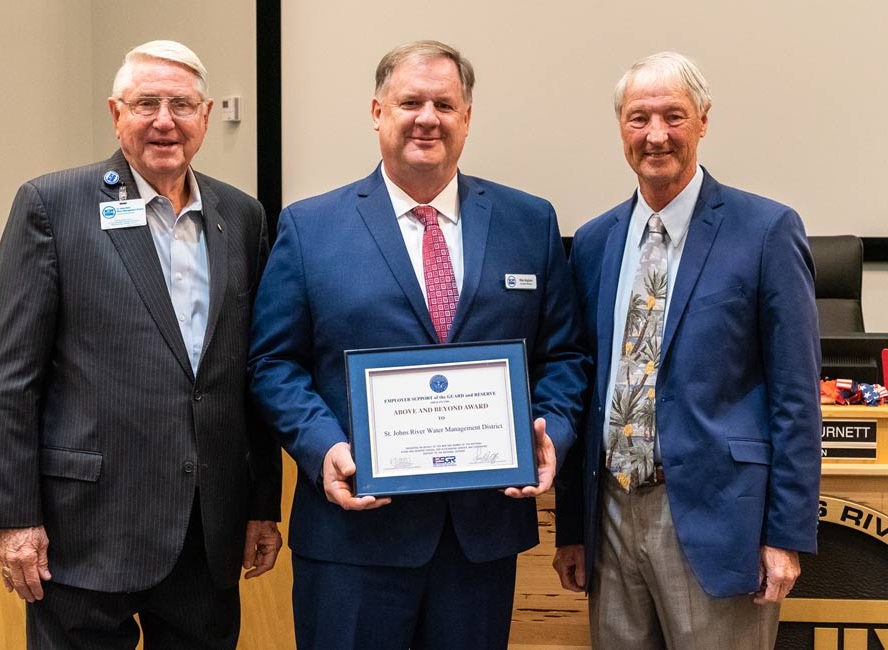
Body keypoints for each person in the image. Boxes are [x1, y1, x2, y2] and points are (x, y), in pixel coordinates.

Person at [248, 40, 588, 649]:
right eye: (410, 102)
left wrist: (550, 435)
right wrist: (322, 446)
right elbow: (274, 364)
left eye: (444, 104)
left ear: (467, 118)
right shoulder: (310, 227)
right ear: (377, 111)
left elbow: (564, 356)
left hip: (478, 539)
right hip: (353, 536)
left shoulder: (528, 221)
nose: (427, 118)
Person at [0, 40, 282, 649]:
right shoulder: (52, 206)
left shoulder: (242, 217)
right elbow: (10, 375)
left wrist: (261, 502)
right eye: (146, 103)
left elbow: (251, 371)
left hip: (207, 529)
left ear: (206, 114)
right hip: (84, 532)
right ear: (116, 114)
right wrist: (15, 519)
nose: (164, 120)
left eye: (181, 105)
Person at [552, 51, 821, 648]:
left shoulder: (766, 230)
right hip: (612, 517)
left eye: (672, 116)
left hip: (719, 519)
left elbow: (797, 398)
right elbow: (586, 383)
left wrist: (786, 534)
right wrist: (573, 527)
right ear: (620, 126)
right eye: (637, 117)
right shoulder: (595, 241)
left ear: (703, 120)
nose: (655, 135)